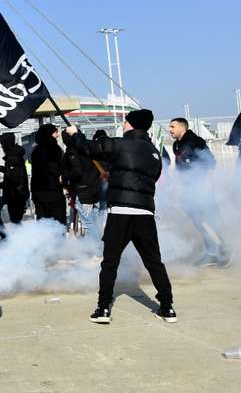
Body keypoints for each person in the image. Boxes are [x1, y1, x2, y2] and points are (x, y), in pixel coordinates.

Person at [64, 109, 177, 325]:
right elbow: (147, 177)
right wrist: (115, 175)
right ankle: (167, 307)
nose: (123, 125)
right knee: (154, 262)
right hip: (145, 212)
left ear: (132, 124)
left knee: (110, 262)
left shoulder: (119, 144)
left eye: (125, 122)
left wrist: (74, 133)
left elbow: (88, 149)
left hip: (120, 213)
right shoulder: (154, 152)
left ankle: (103, 308)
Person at [168, 117, 230, 266]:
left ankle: (226, 249)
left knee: (210, 218)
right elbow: (180, 167)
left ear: (182, 128)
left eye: (173, 127)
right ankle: (211, 252)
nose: (170, 129)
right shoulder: (177, 144)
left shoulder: (196, 141)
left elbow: (210, 163)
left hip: (201, 187)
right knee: (197, 221)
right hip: (187, 190)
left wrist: (207, 186)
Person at [60, 131, 103, 237]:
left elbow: (77, 172)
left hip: (84, 190)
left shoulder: (72, 152)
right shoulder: (89, 147)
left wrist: (64, 177)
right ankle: (100, 247)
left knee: (88, 223)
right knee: (95, 221)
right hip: (96, 188)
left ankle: (95, 249)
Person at [31, 124, 66, 225]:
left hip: (38, 191)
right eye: (55, 132)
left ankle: (46, 240)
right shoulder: (53, 149)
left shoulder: (36, 150)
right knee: (57, 222)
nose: (58, 135)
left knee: (43, 222)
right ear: (49, 134)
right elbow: (54, 168)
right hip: (52, 190)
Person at [0, 132, 30, 224]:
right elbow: (12, 172)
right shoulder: (14, 156)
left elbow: (15, 178)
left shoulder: (13, 157)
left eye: (2, 144)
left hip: (15, 195)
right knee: (16, 221)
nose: (1, 147)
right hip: (17, 195)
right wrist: (0, 168)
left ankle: (21, 238)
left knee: (15, 221)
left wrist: (2, 184)